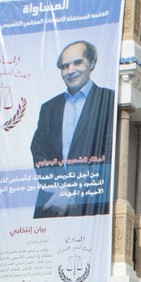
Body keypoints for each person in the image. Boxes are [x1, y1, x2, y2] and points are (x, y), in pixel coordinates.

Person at [30, 41, 112, 217]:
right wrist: (57, 189)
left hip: (91, 203)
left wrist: (73, 192)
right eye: (65, 66)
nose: (71, 70)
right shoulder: (49, 108)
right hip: (51, 203)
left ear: (92, 63)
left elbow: (109, 150)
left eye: (77, 63)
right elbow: (38, 150)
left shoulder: (108, 100)